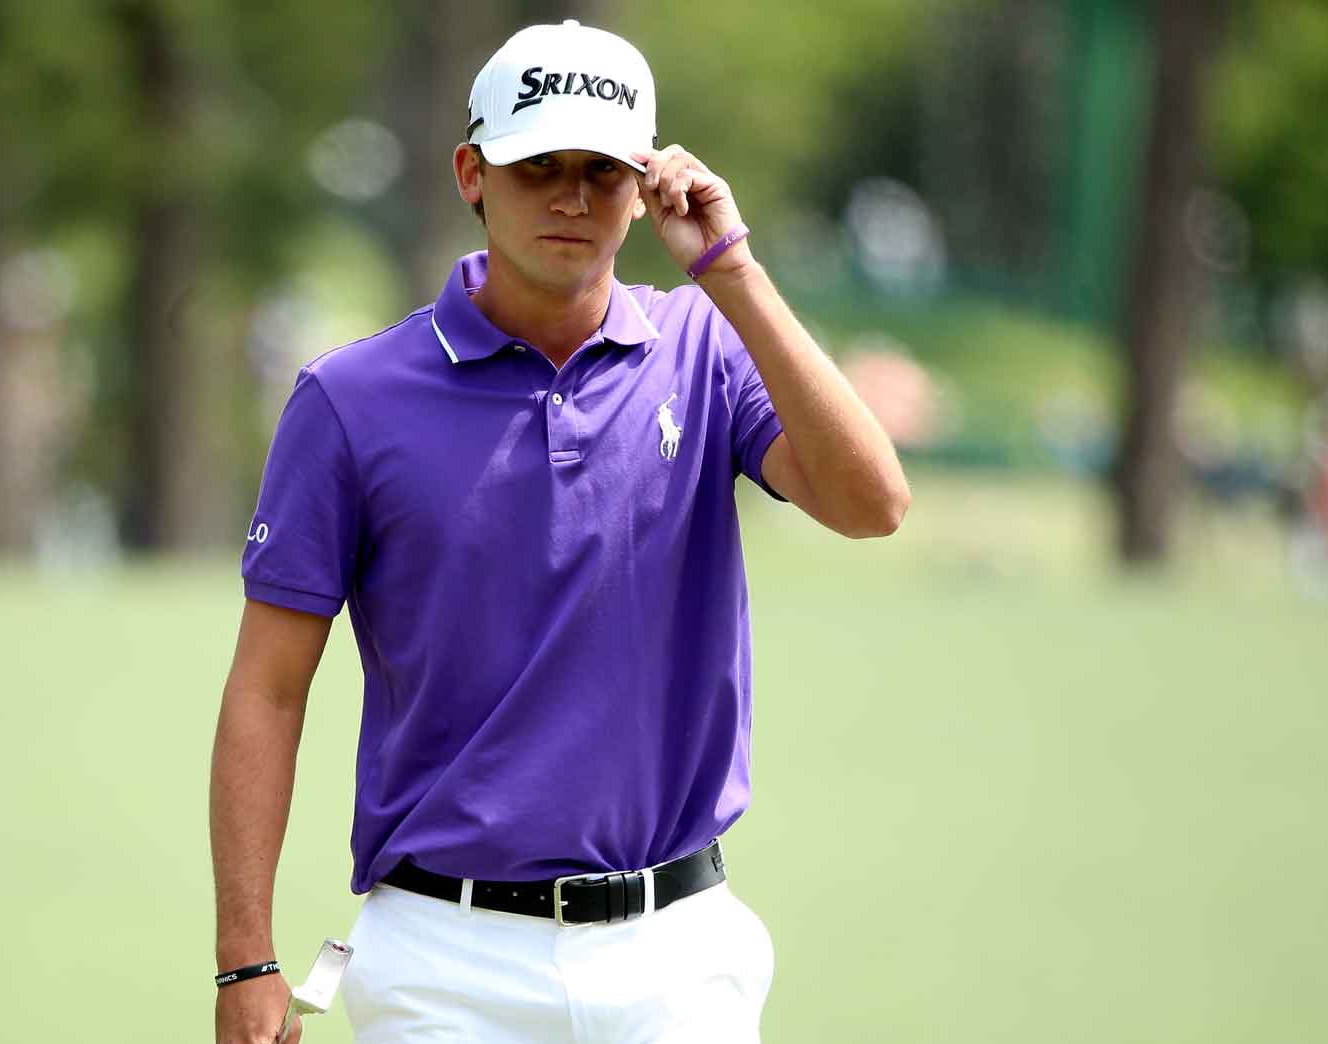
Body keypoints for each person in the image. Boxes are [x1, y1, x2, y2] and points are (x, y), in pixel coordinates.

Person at [211, 19, 909, 1043]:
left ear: (645, 187)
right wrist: (247, 958)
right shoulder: (349, 400)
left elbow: (871, 503)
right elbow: (267, 689)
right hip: (444, 960)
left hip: (675, 953)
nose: (571, 197)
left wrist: (730, 269)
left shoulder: (700, 349)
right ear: (470, 173)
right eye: (537, 165)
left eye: (601, 170)